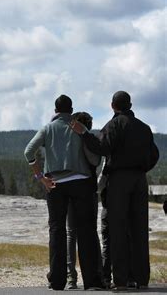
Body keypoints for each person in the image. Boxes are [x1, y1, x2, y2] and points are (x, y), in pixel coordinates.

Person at [70, 91, 159, 290]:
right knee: (139, 229)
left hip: (119, 179)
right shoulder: (144, 128)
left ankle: (120, 280)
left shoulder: (114, 125)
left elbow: (101, 147)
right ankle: (141, 279)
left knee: (118, 229)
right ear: (131, 104)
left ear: (113, 106)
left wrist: (84, 133)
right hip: (140, 180)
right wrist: (142, 168)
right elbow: (154, 154)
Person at [24, 95, 102, 290]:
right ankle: (92, 281)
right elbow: (93, 148)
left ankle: (57, 281)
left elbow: (28, 152)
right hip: (81, 182)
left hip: (55, 184)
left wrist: (40, 177)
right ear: (71, 109)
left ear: (55, 110)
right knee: (86, 230)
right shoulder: (78, 126)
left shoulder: (48, 128)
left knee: (57, 230)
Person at [65, 112, 103, 290]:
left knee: (71, 233)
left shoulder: (66, 140)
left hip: (68, 187)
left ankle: (71, 277)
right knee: (90, 231)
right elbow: (95, 162)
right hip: (88, 188)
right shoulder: (89, 139)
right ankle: (98, 273)